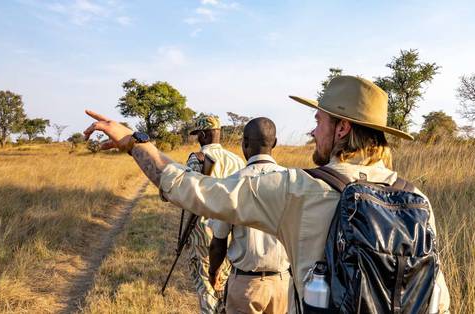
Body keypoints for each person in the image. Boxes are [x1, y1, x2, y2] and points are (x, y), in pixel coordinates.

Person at [83, 75, 451, 313]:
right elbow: (436, 296)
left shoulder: (300, 189)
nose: (313, 132)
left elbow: (191, 190)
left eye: (319, 121)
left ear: (342, 129)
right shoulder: (415, 198)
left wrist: (134, 142)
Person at [208, 117, 291, 314]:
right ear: (275, 143)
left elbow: (218, 243)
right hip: (283, 283)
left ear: (244, 143)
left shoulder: (232, 183)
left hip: (246, 284)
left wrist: (213, 272)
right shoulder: (292, 182)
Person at [182, 115, 246, 314]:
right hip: (231, 234)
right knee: (224, 285)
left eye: (197, 135)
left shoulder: (197, 158)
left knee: (206, 289)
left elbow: (189, 197)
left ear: (203, 135)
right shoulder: (237, 160)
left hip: (203, 234)